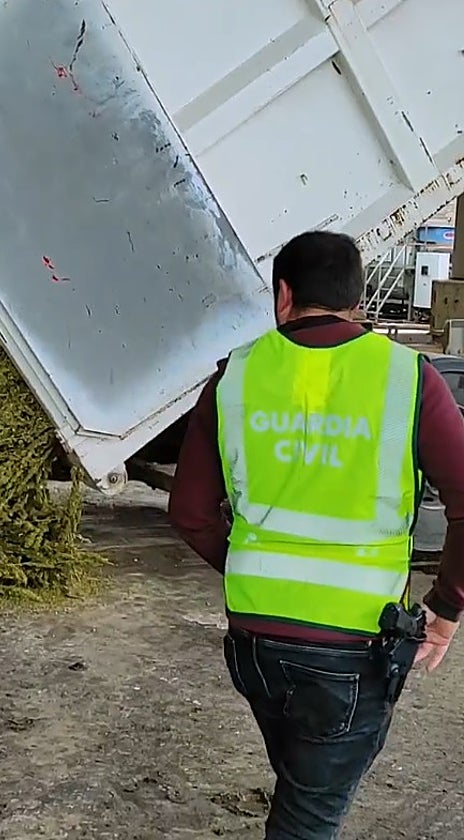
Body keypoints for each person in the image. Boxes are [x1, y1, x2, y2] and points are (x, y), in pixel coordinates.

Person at [168, 230, 464, 838]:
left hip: (255, 644)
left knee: (303, 783)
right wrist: (446, 607)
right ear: (358, 298)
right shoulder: (408, 378)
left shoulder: (236, 376)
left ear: (283, 296)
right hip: (353, 646)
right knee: (309, 816)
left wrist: (257, 569)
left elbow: (191, 512)